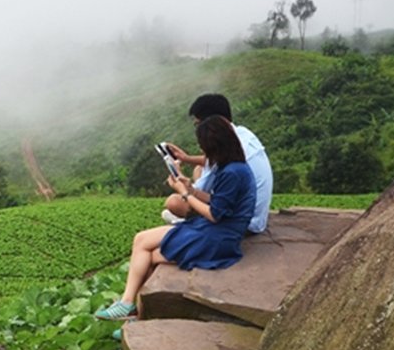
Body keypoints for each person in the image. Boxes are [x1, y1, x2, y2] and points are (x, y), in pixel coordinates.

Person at [95, 115, 257, 321]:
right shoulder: (234, 167)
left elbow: (215, 214)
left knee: (145, 248)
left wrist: (185, 193)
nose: (202, 151)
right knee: (144, 245)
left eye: (204, 146)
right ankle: (134, 311)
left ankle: (129, 305)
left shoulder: (232, 172)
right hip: (216, 230)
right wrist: (192, 189)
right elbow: (219, 202)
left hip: (217, 237)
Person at [162, 94, 273, 234]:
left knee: (174, 202)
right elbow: (213, 162)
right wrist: (186, 158)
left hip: (243, 223)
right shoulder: (242, 134)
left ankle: (192, 224)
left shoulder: (226, 157)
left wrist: (179, 178)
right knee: (198, 169)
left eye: (198, 124)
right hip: (257, 216)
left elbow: (195, 192)